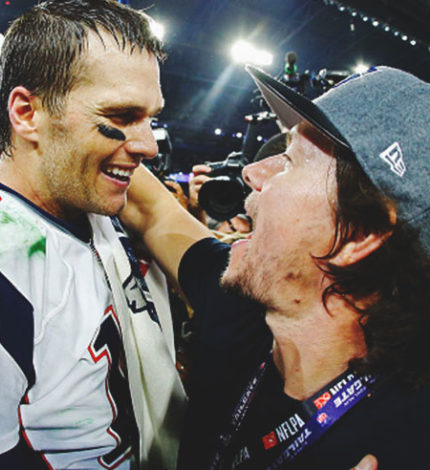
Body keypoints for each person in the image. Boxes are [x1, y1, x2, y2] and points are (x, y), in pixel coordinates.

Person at [120, 65, 430, 469]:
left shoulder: (407, 443)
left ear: (359, 234)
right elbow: (153, 212)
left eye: (289, 161)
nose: (251, 172)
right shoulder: (239, 302)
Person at [0, 1, 186, 468]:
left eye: (151, 118)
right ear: (26, 113)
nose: (148, 146)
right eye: (121, 115)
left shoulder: (90, 200)